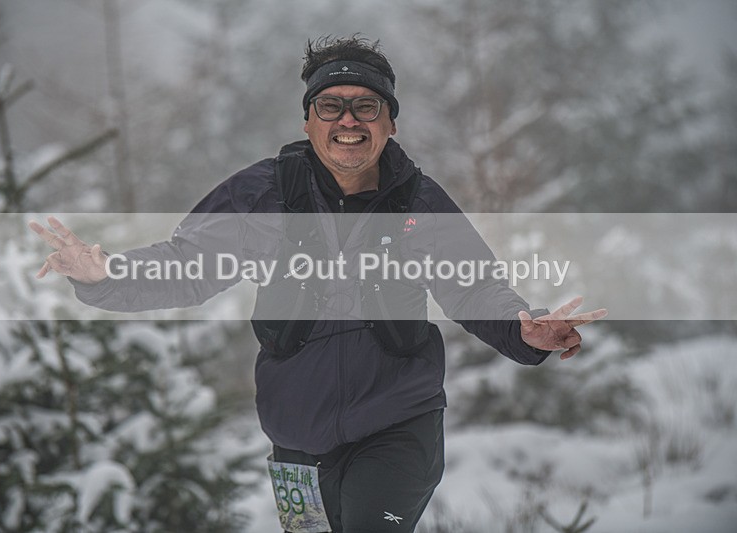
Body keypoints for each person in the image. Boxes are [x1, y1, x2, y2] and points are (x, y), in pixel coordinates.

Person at [31, 36, 606, 533]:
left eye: (366, 107)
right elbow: (188, 266)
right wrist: (106, 274)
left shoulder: (417, 203)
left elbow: (475, 285)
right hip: (295, 438)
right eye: (331, 106)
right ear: (308, 121)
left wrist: (523, 329)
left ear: (390, 122)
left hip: (397, 423)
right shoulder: (264, 194)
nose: (348, 121)